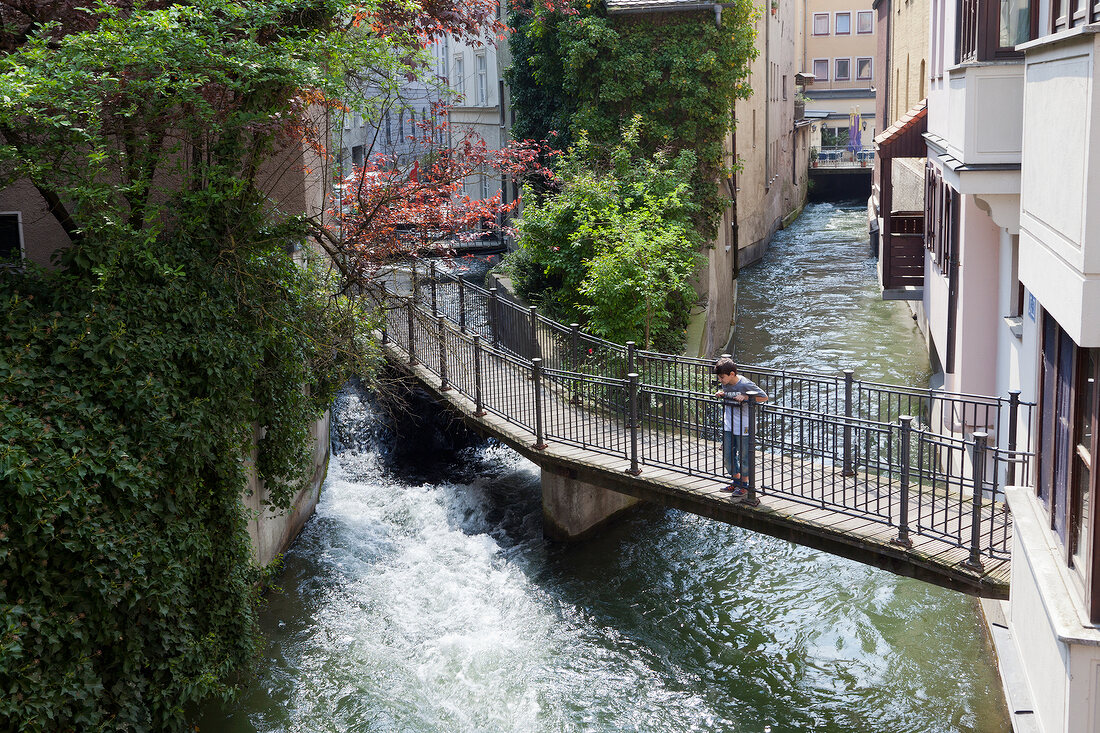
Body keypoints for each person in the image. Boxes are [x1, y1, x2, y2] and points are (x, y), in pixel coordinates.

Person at [714, 357, 768, 500]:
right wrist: (723, 393)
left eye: (722, 377)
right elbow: (731, 394)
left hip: (744, 425)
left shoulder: (745, 384)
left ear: (732, 374)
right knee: (727, 454)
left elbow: (764, 397)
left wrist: (746, 397)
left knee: (744, 456)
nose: (720, 380)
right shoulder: (726, 383)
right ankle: (736, 481)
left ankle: (744, 485)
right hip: (729, 423)